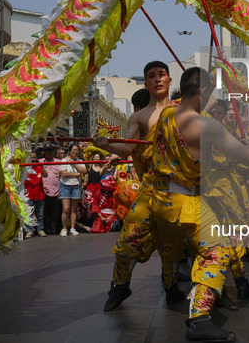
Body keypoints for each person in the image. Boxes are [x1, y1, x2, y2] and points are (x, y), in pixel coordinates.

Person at [148, 66, 249, 342]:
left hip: (159, 200)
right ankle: (199, 318)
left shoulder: (164, 116)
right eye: (209, 92)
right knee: (219, 250)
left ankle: (188, 294)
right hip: (187, 201)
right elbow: (247, 158)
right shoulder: (208, 125)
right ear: (203, 91)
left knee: (182, 252)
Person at [95, 61, 185, 312]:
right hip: (149, 189)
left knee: (171, 246)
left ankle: (172, 289)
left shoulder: (184, 110)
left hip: (178, 190)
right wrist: (106, 145)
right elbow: (127, 148)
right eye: (152, 76)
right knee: (126, 242)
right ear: (146, 82)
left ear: (169, 80)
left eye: (162, 75)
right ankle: (120, 286)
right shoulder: (139, 116)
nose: (157, 79)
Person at [59, 143, 87, 236]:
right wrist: (76, 174)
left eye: (77, 150)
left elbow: (84, 171)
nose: (75, 152)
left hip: (76, 186)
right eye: (73, 150)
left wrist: (74, 164)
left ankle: (72, 228)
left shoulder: (80, 161)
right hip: (65, 185)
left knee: (74, 209)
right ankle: (64, 228)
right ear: (70, 151)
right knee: (66, 209)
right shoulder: (64, 160)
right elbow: (64, 174)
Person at [24, 151, 47, 238]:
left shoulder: (39, 167)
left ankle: (40, 230)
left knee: (40, 214)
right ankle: (30, 231)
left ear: (37, 159)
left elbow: (45, 175)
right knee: (28, 214)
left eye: (34, 158)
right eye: (31, 158)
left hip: (39, 194)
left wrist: (42, 167)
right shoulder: (25, 168)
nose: (32, 159)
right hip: (28, 194)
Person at [39, 144, 61, 235]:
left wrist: (60, 191)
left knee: (55, 213)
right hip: (43, 191)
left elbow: (61, 178)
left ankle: (54, 230)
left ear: (53, 152)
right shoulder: (39, 162)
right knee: (44, 213)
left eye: (50, 151)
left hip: (56, 191)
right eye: (46, 151)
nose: (48, 153)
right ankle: (45, 230)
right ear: (44, 152)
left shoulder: (59, 162)